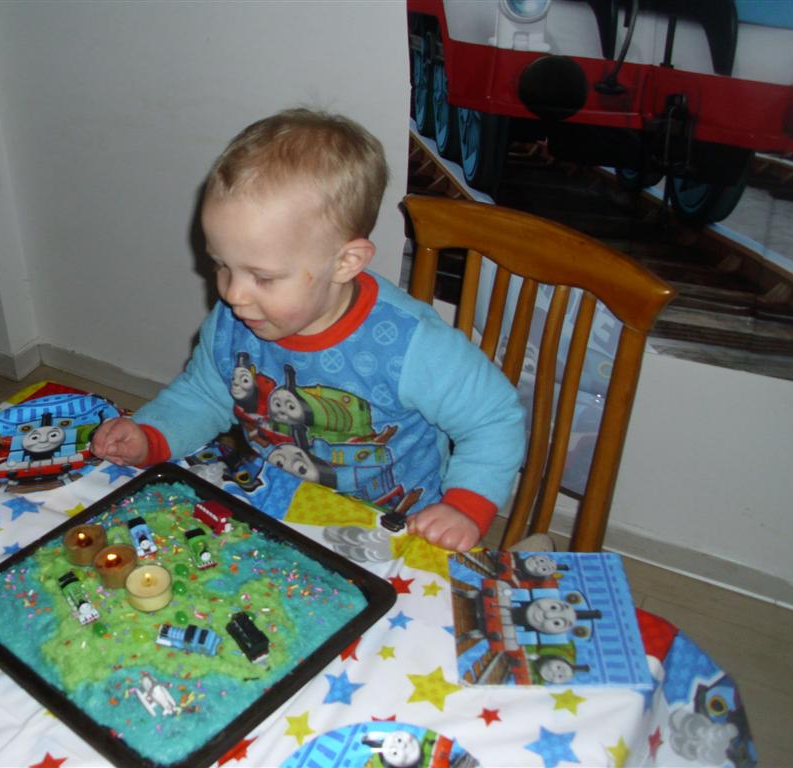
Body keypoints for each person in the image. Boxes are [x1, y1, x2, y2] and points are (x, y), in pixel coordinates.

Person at [92, 108, 525, 552]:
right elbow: (204, 395)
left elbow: (493, 419)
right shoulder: (236, 320)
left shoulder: (412, 345)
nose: (234, 295)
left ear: (345, 262)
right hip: (275, 505)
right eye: (222, 265)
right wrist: (151, 434)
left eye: (262, 277)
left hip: (395, 529)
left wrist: (466, 505)